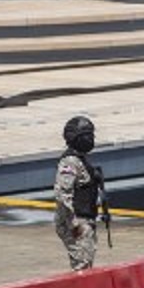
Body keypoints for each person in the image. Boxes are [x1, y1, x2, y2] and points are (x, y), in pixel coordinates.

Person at [53, 115, 103, 271]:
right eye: (86, 136)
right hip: (76, 222)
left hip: (85, 220)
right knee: (82, 265)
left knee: (86, 262)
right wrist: (74, 224)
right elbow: (62, 194)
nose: (90, 139)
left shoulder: (81, 160)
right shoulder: (70, 162)